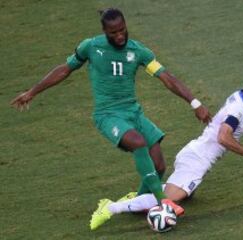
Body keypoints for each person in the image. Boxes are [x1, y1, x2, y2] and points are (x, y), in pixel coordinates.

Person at [10, 8, 211, 230]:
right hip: (108, 115)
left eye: (122, 30)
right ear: (104, 31)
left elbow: (167, 78)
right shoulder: (91, 46)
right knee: (138, 142)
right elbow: (64, 70)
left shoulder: (138, 51)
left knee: (159, 165)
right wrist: (32, 92)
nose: (120, 36)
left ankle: (137, 201)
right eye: (113, 32)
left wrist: (195, 102)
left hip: (134, 113)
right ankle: (163, 201)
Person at [90, 72, 243, 229]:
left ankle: (146, 194)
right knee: (169, 200)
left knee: (182, 193)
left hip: (196, 155)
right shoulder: (238, 108)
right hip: (196, 159)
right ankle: (109, 208)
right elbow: (223, 136)